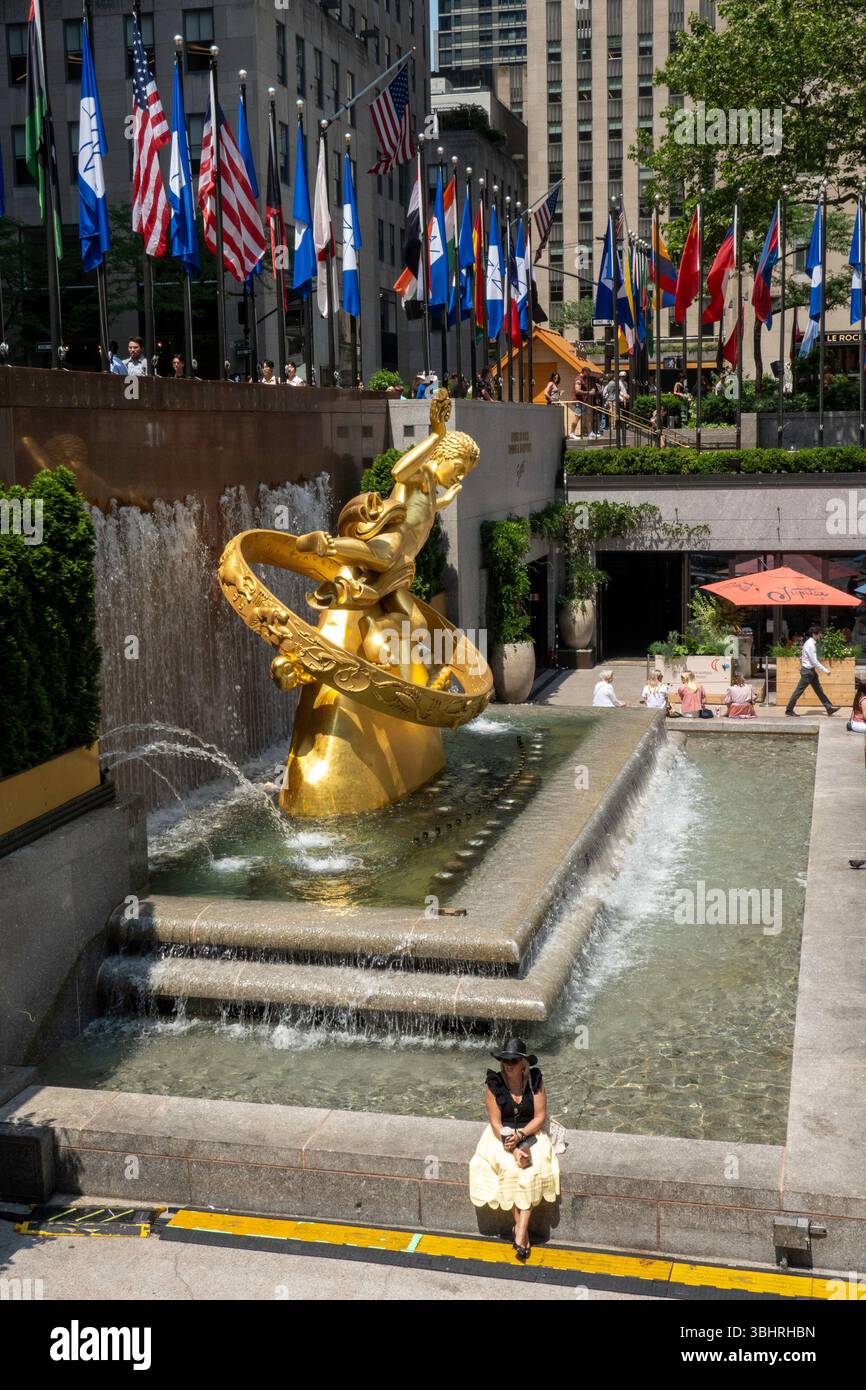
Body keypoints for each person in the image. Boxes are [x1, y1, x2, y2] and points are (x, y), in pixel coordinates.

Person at [468, 1038, 560, 1261]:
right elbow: (496, 1123)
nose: (509, 1064)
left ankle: (520, 1230)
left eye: (514, 1060)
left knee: (531, 1169)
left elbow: (539, 1117)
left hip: (530, 1133)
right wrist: (512, 1145)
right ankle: (522, 1231)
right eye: (506, 1060)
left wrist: (522, 1136)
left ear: (523, 1063)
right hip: (502, 1136)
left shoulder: (535, 1081)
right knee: (510, 1169)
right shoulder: (494, 1084)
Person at [784, 625, 840, 716]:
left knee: (819, 690)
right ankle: (789, 710)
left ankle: (829, 708)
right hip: (808, 672)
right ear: (814, 634)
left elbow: (802, 656)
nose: (821, 635)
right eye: (819, 634)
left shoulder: (808, 643)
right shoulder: (811, 645)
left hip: (810, 671)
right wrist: (826, 671)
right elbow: (814, 661)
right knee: (798, 691)